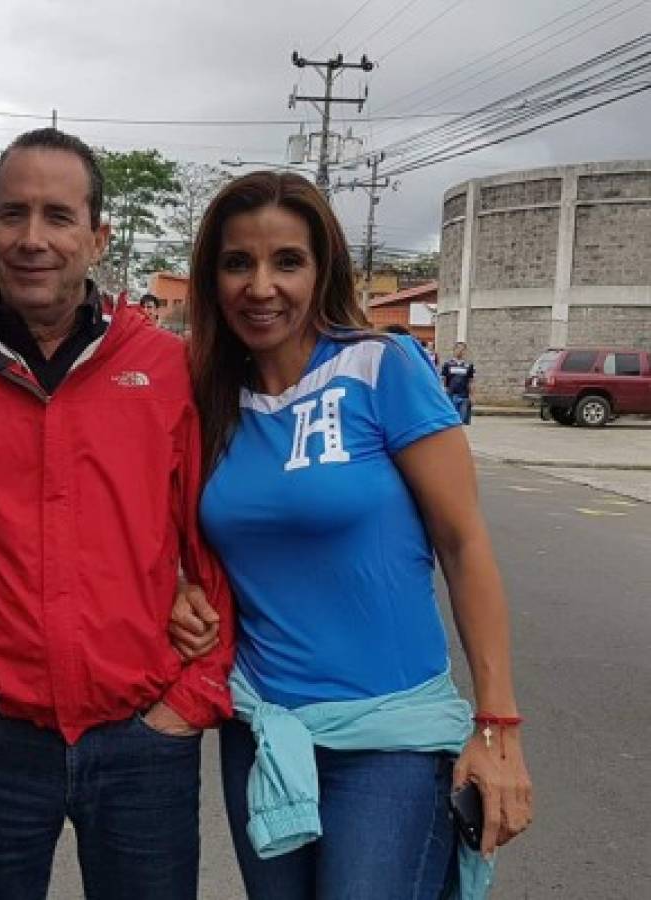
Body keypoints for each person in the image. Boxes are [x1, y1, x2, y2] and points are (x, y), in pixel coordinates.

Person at [0, 127, 234, 900]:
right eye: (12, 214)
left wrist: (195, 693)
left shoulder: (165, 371)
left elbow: (221, 532)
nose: (33, 239)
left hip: (144, 738)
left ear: (97, 237)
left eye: (58, 217)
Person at [169, 172, 532, 899]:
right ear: (211, 278)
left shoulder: (381, 366)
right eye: (237, 262)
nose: (260, 286)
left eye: (287, 262)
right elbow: (184, 536)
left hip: (389, 740)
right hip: (265, 734)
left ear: (323, 268)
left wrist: (497, 728)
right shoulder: (206, 397)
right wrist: (177, 591)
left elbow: (463, 546)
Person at [442, 341, 476, 425]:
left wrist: (472, 396)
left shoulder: (469, 365)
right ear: (454, 350)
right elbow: (443, 380)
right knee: (452, 420)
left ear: (465, 351)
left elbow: (471, 381)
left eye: (462, 349)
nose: (460, 351)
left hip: (464, 396)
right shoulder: (447, 364)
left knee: (462, 420)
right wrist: (444, 394)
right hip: (451, 395)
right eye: (458, 348)